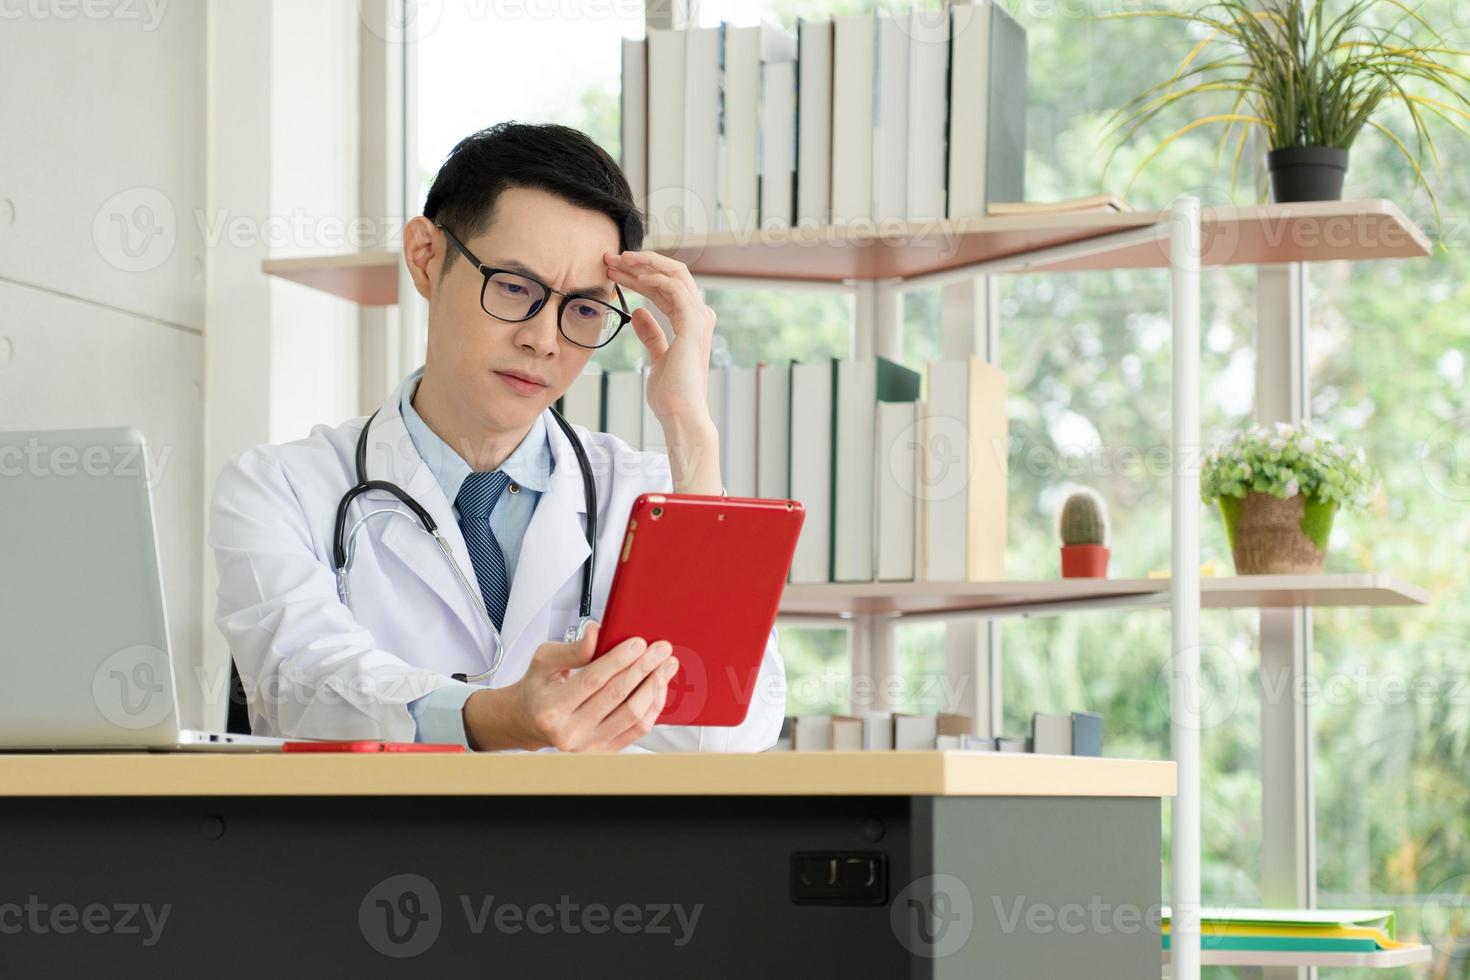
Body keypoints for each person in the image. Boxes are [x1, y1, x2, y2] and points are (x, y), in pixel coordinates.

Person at [209, 122, 786, 752]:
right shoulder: (281, 487)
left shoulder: (652, 496)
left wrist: (689, 428)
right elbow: (302, 685)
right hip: (368, 846)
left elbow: (728, 732)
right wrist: (497, 716)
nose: (544, 339)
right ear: (426, 257)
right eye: (515, 288)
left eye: (585, 309)